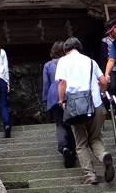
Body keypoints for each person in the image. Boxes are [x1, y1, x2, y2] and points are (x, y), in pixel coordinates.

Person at [56, 37, 115, 185]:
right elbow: (103, 82)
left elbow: (62, 82)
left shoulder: (63, 61)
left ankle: (91, 175)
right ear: (79, 47)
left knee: (81, 143)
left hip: (76, 107)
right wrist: (100, 94)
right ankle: (104, 156)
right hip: (95, 105)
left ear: (66, 50)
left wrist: (62, 101)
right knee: (95, 138)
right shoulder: (90, 61)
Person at [42, 40, 76, 168]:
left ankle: (64, 148)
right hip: (69, 94)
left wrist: (46, 100)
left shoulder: (48, 65)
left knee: (60, 124)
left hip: (54, 95)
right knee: (71, 123)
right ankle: (72, 150)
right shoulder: (69, 63)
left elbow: (46, 84)